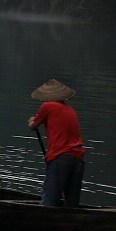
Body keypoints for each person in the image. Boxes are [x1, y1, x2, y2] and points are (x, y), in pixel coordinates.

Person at [27, 78, 85, 207]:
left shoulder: (47, 106)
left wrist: (31, 120)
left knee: (49, 201)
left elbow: (33, 126)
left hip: (61, 158)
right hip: (78, 159)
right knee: (72, 204)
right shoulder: (70, 110)